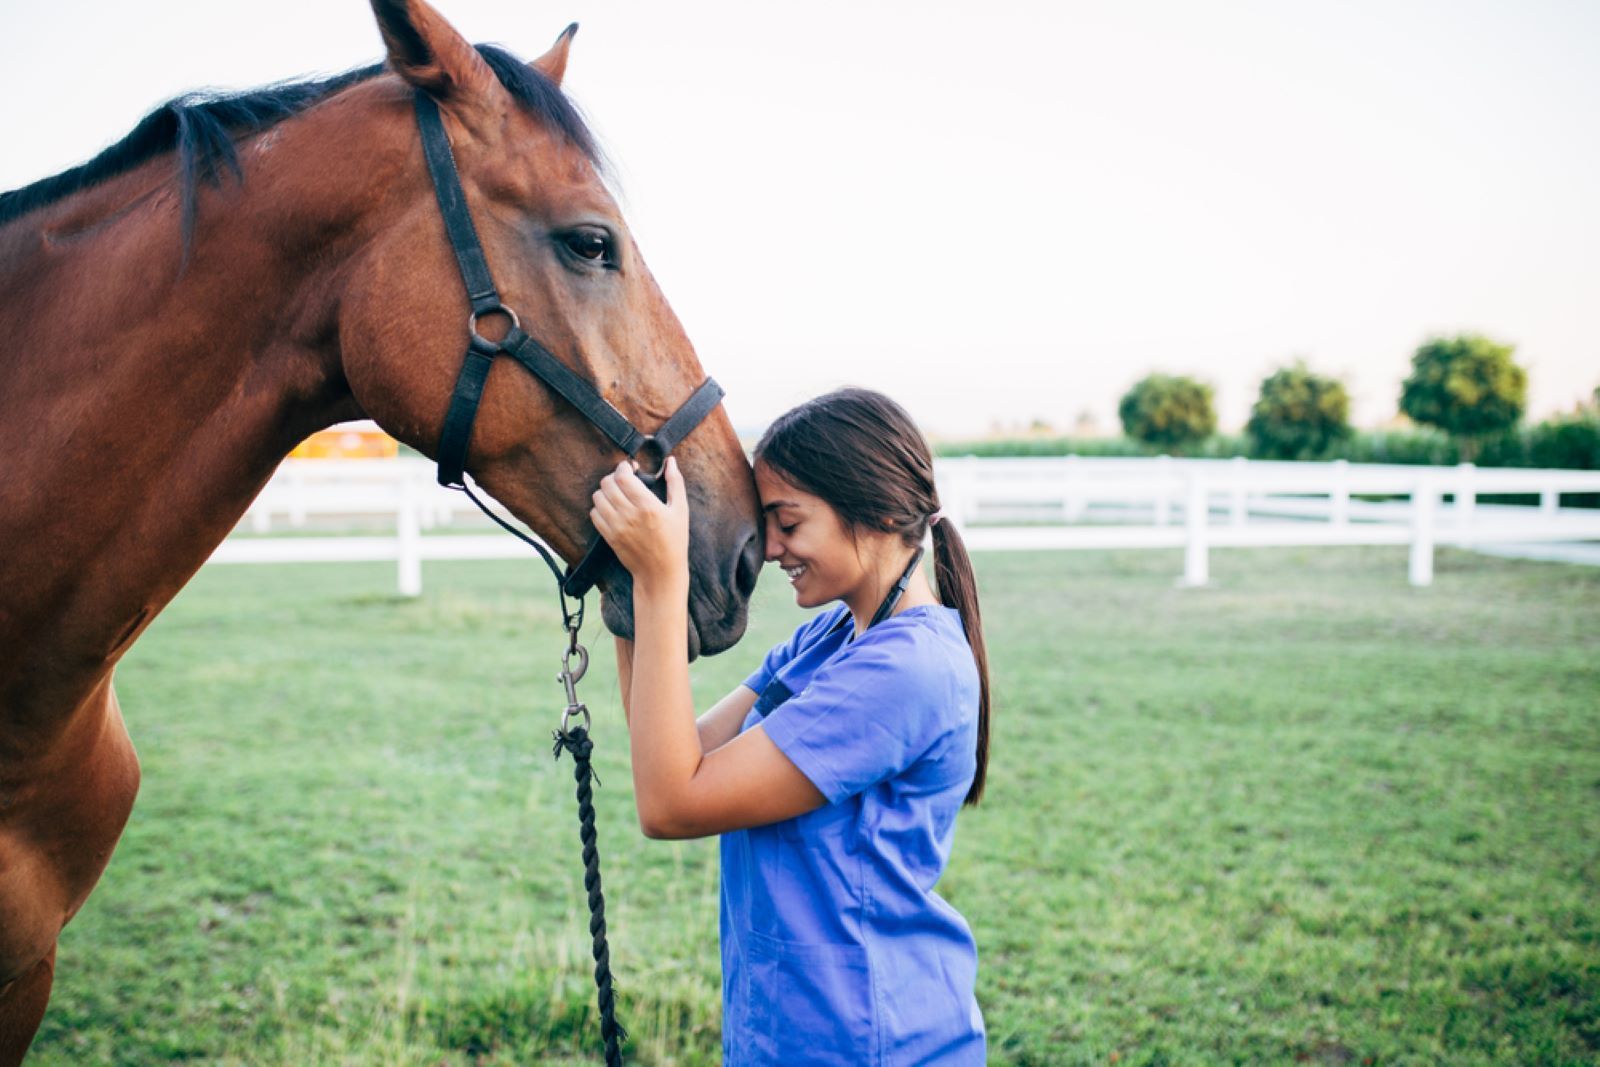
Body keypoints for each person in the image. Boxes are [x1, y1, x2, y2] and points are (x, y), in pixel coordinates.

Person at [589, 387, 991, 1065]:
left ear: (883, 512)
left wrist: (663, 580)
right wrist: (629, 578)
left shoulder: (907, 669)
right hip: (789, 1032)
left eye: (789, 522)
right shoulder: (831, 637)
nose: (771, 547)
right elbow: (668, 746)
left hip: (867, 1040)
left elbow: (671, 803)